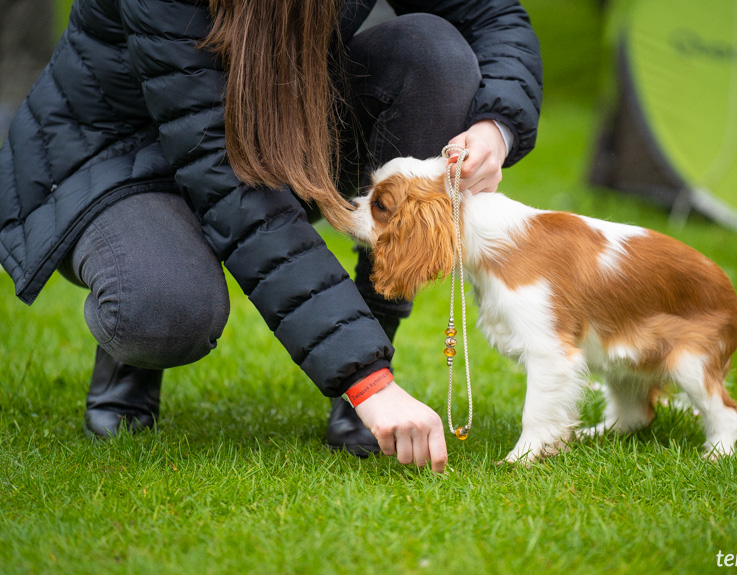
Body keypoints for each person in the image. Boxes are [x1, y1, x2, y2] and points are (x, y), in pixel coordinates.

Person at [0, 0, 542, 473]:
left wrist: (498, 123)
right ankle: (136, 345)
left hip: (272, 124)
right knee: (165, 305)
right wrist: (365, 379)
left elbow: (489, 13)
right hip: (120, 157)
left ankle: (371, 359)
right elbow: (225, 181)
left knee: (433, 53)